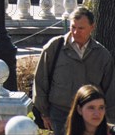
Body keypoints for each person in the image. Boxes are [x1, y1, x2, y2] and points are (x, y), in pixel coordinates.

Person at [33, 7, 115, 135]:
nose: (76, 32)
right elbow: (40, 80)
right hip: (59, 113)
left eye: (81, 28)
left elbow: (110, 91)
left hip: (90, 116)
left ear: (92, 27)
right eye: (73, 27)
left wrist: (109, 121)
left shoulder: (102, 55)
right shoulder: (55, 47)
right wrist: (44, 113)